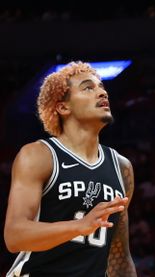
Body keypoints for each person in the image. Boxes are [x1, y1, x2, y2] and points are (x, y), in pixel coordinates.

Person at [4, 62, 135, 277]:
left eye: (101, 87)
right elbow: (14, 236)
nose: (102, 92)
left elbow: (119, 255)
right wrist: (79, 226)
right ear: (63, 107)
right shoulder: (39, 155)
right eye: (88, 88)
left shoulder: (122, 167)